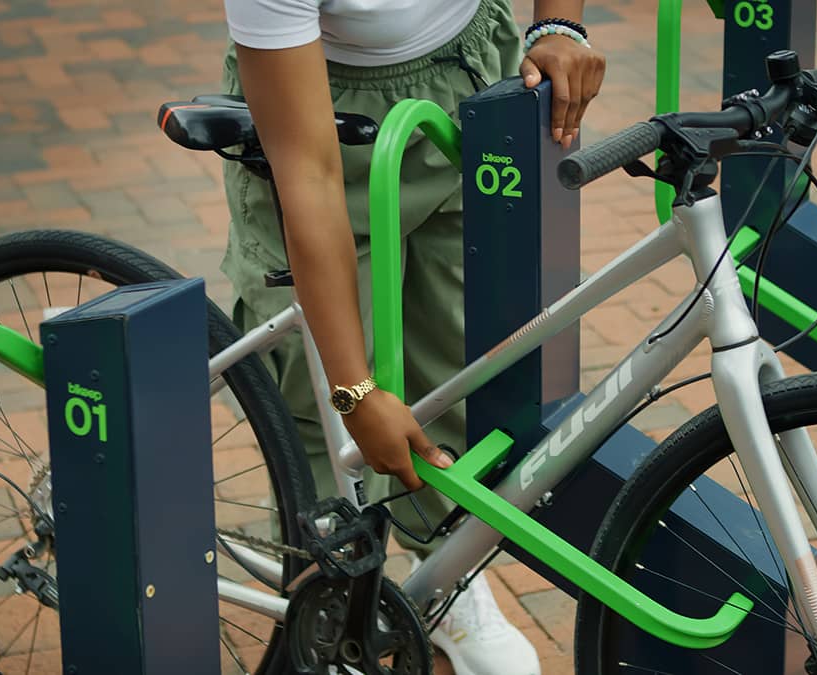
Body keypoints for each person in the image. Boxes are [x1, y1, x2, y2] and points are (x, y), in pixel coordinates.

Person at [220, 1, 605, 672]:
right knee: (318, 405)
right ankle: (329, 603)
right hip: (321, 106)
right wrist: (354, 389)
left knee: (455, 358)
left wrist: (558, 27)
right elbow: (309, 175)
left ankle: (445, 579)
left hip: (461, 72)